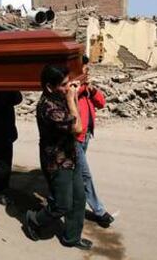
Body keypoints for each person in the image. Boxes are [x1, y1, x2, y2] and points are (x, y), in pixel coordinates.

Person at [25, 65, 92, 250]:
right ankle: (34, 220)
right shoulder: (48, 107)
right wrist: (71, 99)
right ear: (49, 87)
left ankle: (72, 237)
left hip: (71, 154)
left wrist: (73, 98)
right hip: (57, 161)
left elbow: (76, 117)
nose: (67, 87)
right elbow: (78, 128)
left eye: (68, 82)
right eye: (63, 84)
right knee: (62, 204)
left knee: (79, 199)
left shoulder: (59, 97)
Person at [76, 55, 114, 228]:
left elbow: (101, 103)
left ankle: (70, 198)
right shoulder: (72, 88)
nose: (88, 71)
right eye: (85, 68)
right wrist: (80, 88)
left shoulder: (87, 89)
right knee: (85, 175)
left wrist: (91, 90)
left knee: (76, 173)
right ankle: (99, 211)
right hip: (75, 139)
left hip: (86, 136)